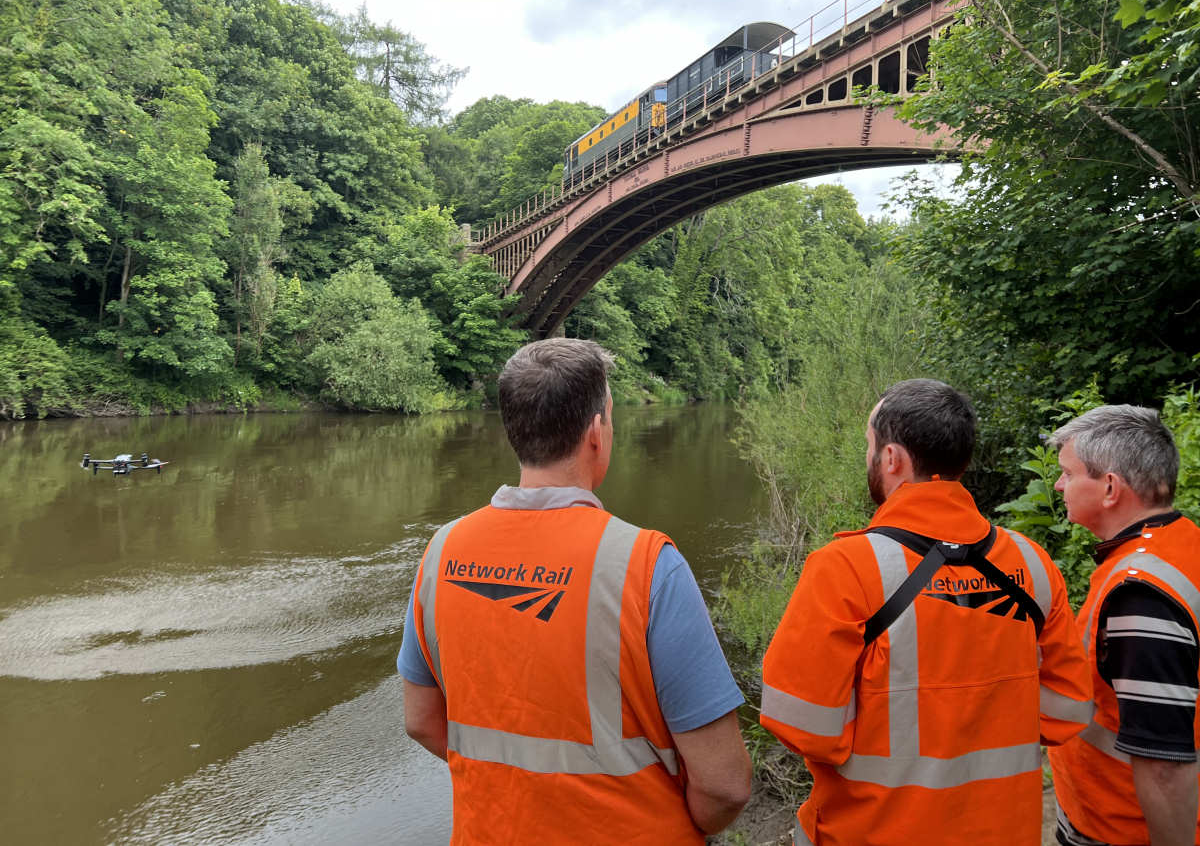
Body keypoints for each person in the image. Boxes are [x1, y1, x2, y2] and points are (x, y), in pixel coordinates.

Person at [398, 338, 751, 844]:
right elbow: (724, 785)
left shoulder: (442, 553)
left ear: (513, 432)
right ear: (595, 433)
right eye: (610, 418)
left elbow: (421, 721)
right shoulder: (647, 565)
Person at [760, 378, 1093, 846]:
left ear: (892, 458)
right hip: (1003, 830)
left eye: (869, 445)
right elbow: (1068, 712)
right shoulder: (1033, 565)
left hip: (871, 831)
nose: (869, 457)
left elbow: (803, 725)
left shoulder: (844, 569)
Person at [1047, 405, 1200, 846]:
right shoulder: (1181, 546)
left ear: (1110, 487)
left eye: (1069, 474)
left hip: (1124, 827)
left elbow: (1164, 765)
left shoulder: (1141, 593)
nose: (1060, 485)